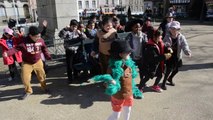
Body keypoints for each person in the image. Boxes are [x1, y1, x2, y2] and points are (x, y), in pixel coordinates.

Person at [92, 40, 143, 120]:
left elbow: (131, 78)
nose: (130, 53)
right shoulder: (112, 68)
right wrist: (111, 82)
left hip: (129, 93)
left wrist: (134, 89)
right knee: (116, 115)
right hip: (118, 96)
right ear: (120, 54)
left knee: (128, 110)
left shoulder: (129, 63)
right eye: (128, 52)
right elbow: (107, 82)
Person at [3, 26, 51, 100]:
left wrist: (48, 56)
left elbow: (44, 48)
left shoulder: (40, 40)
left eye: (39, 36)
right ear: (30, 35)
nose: (38, 38)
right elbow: (16, 48)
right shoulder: (23, 42)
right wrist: (8, 53)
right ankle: (28, 91)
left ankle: (44, 87)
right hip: (27, 63)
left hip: (38, 61)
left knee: (42, 76)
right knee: (25, 78)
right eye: (36, 36)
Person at [161, 21, 191, 90]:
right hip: (170, 56)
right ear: (170, 29)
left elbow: (184, 45)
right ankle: (163, 83)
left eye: (176, 29)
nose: (174, 30)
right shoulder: (167, 36)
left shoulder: (181, 37)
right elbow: (163, 42)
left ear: (178, 29)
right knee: (168, 70)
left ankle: (170, 78)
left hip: (177, 56)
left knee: (176, 70)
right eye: (172, 28)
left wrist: (187, 51)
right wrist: (167, 45)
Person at [125, 19, 148, 86]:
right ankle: (132, 84)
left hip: (141, 57)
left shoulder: (144, 36)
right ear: (132, 28)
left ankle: (142, 82)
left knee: (142, 71)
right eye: (136, 27)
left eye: (139, 27)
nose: (138, 28)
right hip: (132, 57)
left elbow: (146, 45)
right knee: (132, 71)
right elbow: (126, 46)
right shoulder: (129, 36)